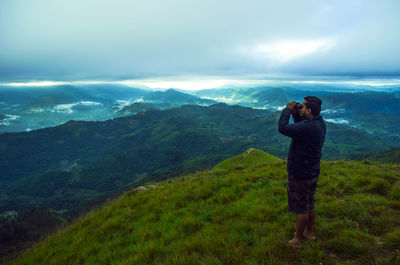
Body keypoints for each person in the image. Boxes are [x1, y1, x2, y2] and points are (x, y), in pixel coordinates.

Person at [278, 96, 326, 248]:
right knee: (309, 204)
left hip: (301, 173)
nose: (301, 107)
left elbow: (283, 128)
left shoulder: (309, 127)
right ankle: (308, 232)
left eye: (303, 107)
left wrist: (286, 110)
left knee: (300, 207)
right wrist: (296, 114)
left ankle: (297, 240)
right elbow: (301, 127)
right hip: (312, 170)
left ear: (309, 110)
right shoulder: (319, 123)